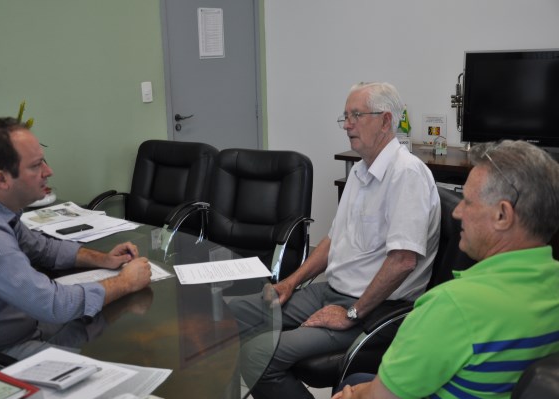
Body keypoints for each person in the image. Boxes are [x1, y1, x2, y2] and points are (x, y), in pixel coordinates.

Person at [228, 82, 441, 399]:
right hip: (329, 291)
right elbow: (332, 239)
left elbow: (402, 261)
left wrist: (353, 312)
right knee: (228, 315)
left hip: (374, 308)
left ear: (385, 121)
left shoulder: (406, 174)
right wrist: (290, 282)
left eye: (356, 115)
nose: (347, 125)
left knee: (258, 355)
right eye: (345, 117)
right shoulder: (359, 171)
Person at [333, 140, 559, 399]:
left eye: (468, 201)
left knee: (350, 385)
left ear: (502, 215)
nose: (457, 212)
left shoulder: (452, 307)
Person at [0, 117, 152, 354]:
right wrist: (125, 282)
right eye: (36, 165)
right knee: (115, 363)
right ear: (2, 179)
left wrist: (103, 259)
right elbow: (52, 304)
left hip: (26, 324)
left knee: (108, 331)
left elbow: (41, 248)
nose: (48, 171)